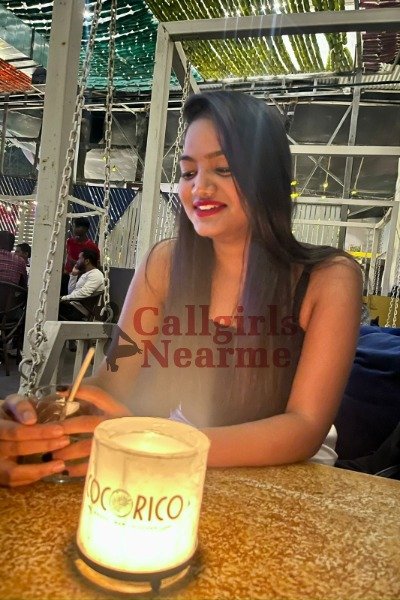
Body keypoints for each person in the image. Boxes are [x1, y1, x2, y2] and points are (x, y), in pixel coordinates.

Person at [0, 91, 362, 486]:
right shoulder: (165, 263)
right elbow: (112, 382)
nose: (200, 188)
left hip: (288, 473)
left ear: (268, 178)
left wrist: (160, 443)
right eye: (189, 172)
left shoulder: (329, 278)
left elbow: (304, 426)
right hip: (175, 454)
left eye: (223, 169)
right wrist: (40, 416)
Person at [59, 248, 104, 321]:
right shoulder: (87, 273)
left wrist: (64, 298)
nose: (77, 261)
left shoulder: (96, 275)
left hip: (78, 311)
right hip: (73, 306)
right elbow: (71, 293)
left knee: (50, 307)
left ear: (87, 261)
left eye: (79, 258)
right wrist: (73, 275)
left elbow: (84, 293)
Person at [61, 217, 99, 295]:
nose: (74, 229)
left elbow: (95, 265)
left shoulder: (92, 247)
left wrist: (76, 263)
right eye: (74, 226)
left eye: (77, 227)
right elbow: (67, 256)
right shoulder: (70, 242)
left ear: (85, 229)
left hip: (81, 279)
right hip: (66, 276)